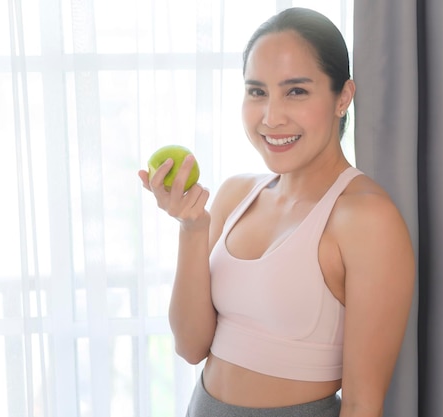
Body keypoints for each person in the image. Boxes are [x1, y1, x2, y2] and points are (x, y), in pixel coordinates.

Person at [138, 7, 415, 417]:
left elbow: (362, 405)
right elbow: (191, 345)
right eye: (257, 91)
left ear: (343, 97)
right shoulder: (236, 194)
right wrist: (191, 227)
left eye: (296, 91)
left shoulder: (366, 218)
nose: (271, 117)